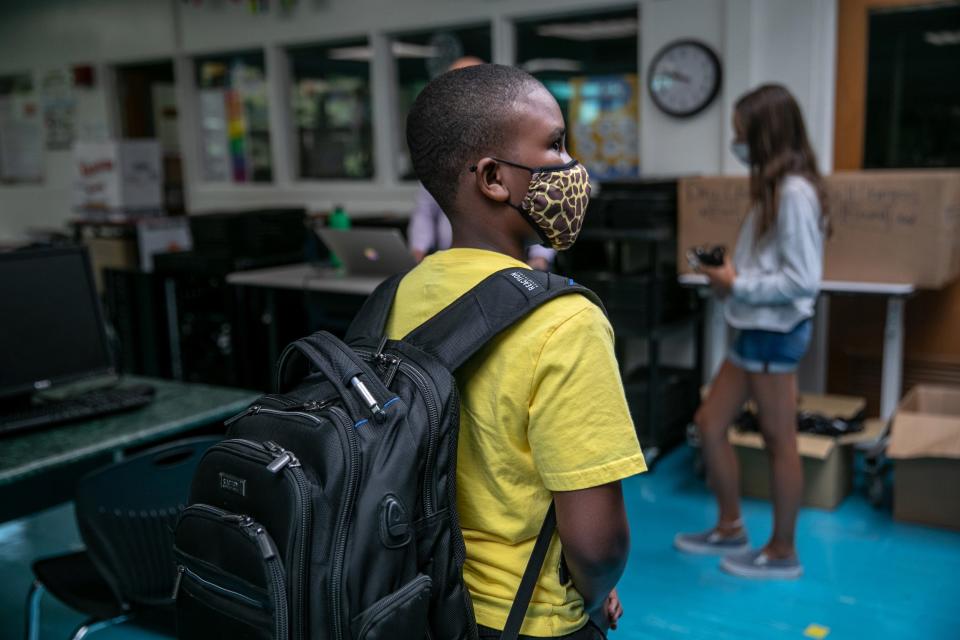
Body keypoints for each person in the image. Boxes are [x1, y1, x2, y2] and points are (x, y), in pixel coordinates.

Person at [389, 64, 646, 638]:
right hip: (526, 618)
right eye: (555, 146)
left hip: (418, 599)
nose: (570, 167)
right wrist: (597, 594)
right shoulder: (564, 322)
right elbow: (597, 545)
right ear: (492, 178)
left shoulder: (397, 296)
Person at [674, 84, 827, 579]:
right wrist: (728, 279)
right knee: (711, 423)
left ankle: (783, 551)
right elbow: (769, 266)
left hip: (773, 335)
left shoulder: (795, 193)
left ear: (766, 135)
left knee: (779, 442)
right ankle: (729, 526)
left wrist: (737, 283)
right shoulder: (771, 189)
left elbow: (803, 280)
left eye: (742, 133)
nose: (736, 141)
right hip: (754, 332)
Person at [407, 56, 555, 271]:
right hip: (451, 267)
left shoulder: (510, 133)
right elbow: (425, 208)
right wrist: (418, 253)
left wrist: (539, 259)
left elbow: (538, 196)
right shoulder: (442, 148)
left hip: (513, 268)